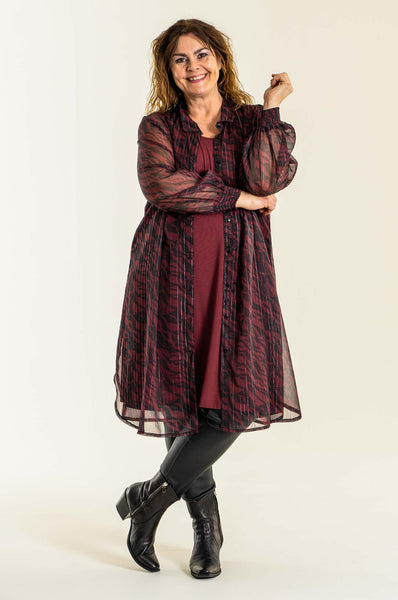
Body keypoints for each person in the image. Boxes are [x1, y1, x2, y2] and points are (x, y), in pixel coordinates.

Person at [113, 18, 302, 579]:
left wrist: (271, 108)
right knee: (182, 396)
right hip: (169, 273)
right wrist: (237, 198)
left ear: (220, 58)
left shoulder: (249, 122)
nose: (193, 66)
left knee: (235, 399)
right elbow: (162, 187)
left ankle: (149, 500)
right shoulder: (158, 127)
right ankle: (206, 530)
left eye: (201, 54)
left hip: (238, 277)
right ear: (168, 70)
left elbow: (266, 179)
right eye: (180, 58)